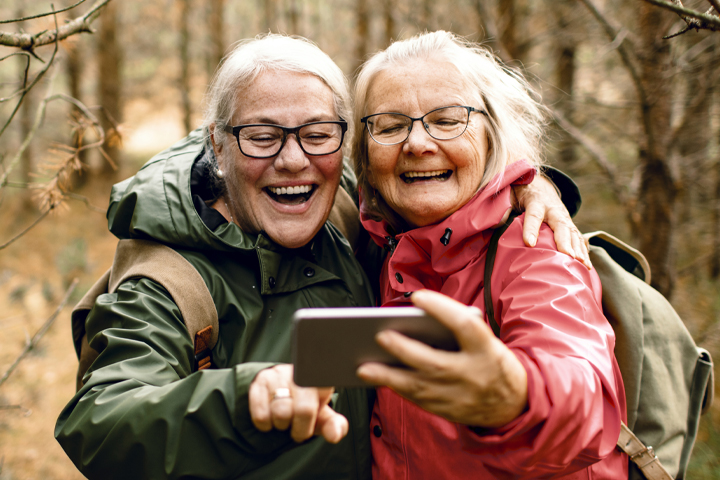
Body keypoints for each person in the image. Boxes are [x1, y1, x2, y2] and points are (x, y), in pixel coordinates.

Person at [55, 34, 589, 480]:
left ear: (343, 141)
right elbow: (101, 420)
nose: (293, 160)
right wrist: (244, 399)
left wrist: (529, 184)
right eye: (262, 137)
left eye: (316, 135)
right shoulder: (168, 278)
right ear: (216, 145)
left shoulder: (353, 214)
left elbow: (443, 156)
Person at [351, 31, 627, 479]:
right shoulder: (371, 244)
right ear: (364, 154)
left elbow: (586, 397)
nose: (417, 143)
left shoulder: (535, 249)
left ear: (491, 133)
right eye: (390, 125)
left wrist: (515, 396)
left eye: (446, 120)